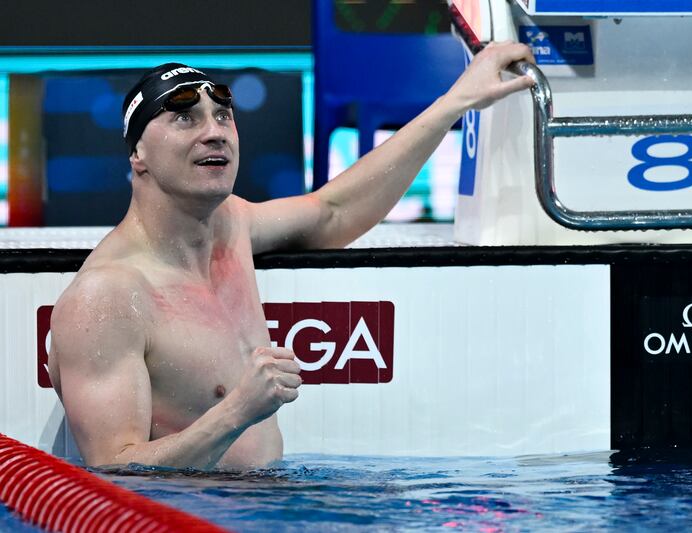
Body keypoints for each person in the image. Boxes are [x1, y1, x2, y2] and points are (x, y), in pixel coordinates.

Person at [47, 42, 536, 470]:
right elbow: (113, 470)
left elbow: (334, 210)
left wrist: (458, 101)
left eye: (222, 116)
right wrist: (236, 411)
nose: (214, 131)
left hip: (266, 504)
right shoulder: (108, 296)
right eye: (184, 119)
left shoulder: (232, 225)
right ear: (138, 155)